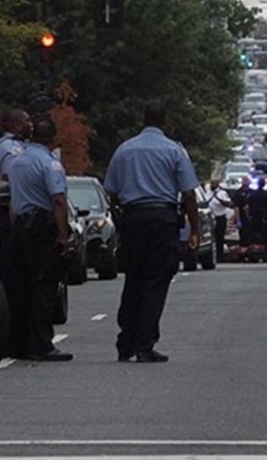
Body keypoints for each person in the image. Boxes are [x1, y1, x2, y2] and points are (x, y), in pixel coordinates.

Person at [105, 104, 200, 363]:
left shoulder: (125, 150)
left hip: (133, 218)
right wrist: (195, 229)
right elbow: (189, 194)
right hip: (163, 219)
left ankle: (126, 342)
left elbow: (111, 191)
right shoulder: (174, 151)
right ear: (165, 122)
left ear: (143, 120)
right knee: (155, 281)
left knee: (133, 279)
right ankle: (145, 344)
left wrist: (120, 225)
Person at [6, 116, 73, 361]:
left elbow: (13, 203)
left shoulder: (17, 161)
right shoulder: (50, 164)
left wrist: (16, 231)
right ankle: (43, 344)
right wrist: (63, 236)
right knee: (44, 286)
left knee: (21, 287)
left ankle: (20, 343)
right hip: (41, 228)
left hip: (21, 227)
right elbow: (57, 200)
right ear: (52, 138)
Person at [0, 109, 33, 356]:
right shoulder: (11, 150)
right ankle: (15, 338)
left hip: (13, 215)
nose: (30, 124)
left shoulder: (16, 147)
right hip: (11, 216)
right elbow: (14, 182)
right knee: (16, 278)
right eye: (26, 121)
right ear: (14, 124)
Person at [205, 179, 233, 262]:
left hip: (219, 217)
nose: (212, 185)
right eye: (211, 183)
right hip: (209, 218)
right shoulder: (207, 193)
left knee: (219, 238)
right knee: (210, 238)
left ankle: (219, 257)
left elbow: (229, 204)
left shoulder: (222, 193)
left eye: (214, 183)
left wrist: (219, 199)